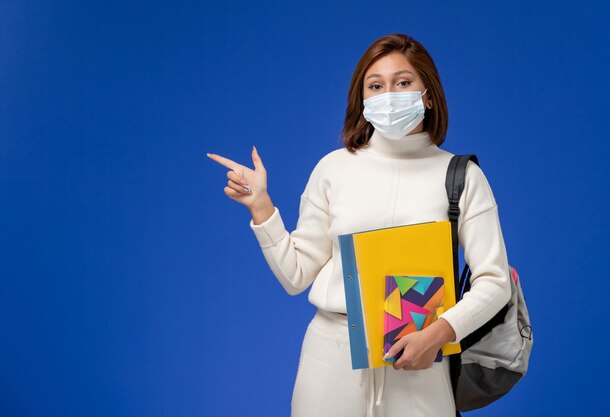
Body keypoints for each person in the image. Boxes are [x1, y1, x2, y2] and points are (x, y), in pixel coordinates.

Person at [207, 33, 511, 417]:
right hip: (330, 361)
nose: (389, 94)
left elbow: (495, 282)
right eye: (376, 85)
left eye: (403, 82)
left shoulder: (461, 176)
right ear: (363, 99)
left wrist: (438, 334)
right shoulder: (334, 168)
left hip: (420, 362)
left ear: (428, 94)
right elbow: (296, 275)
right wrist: (262, 207)